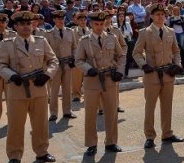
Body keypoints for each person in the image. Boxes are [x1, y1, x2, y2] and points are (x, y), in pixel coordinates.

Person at [0, 11, 59, 163]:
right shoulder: (7, 44)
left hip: (39, 89)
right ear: (15, 26)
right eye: (22, 24)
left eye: (28, 24)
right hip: (17, 91)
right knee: (16, 125)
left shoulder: (41, 41)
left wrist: (47, 75)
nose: (26, 27)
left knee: (40, 124)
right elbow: (0, 65)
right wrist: (11, 76)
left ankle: (42, 151)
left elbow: (53, 60)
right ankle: (14, 155)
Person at [133, 3, 184, 148]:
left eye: (162, 14)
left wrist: (178, 64)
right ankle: (150, 136)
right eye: (157, 14)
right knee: (150, 107)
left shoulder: (170, 31)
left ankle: (167, 133)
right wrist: (143, 65)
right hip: (152, 74)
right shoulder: (145, 32)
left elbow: (176, 51)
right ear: (152, 16)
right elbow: (136, 53)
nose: (160, 17)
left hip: (168, 73)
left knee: (167, 106)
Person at [75, 11, 126, 155]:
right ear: (91, 24)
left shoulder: (112, 37)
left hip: (109, 79)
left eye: (101, 24)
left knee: (111, 112)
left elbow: (121, 55)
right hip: (92, 81)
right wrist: (88, 68)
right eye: (96, 24)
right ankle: (91, 144)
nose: (99, 27)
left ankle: (111, 142)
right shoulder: (84, 41)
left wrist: (120, 71)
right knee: (91, 113)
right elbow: (78, 60)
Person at [45, 10, 78, 121]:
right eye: (58, 19)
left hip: (67, 64)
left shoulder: (70, 32)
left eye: (62, 18)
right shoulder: (49, 33)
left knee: (67, 89)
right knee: (54, 90)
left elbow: (74, 47)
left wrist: (74, 58)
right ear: (54, 20)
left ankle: (67, 111)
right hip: (55, 65)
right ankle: (53, 113)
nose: (61, 20)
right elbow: (46, 51)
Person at [71, 11, 90, 102]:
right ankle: (76, 94)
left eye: (84, 20)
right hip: (77, 57)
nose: (83, 21)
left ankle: (87, 94)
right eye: (81, 20)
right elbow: (71, 45)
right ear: (77, 21)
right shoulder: (73, 31)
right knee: (77, 78)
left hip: (89, 58)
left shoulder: (90, 31)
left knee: (88, 77)